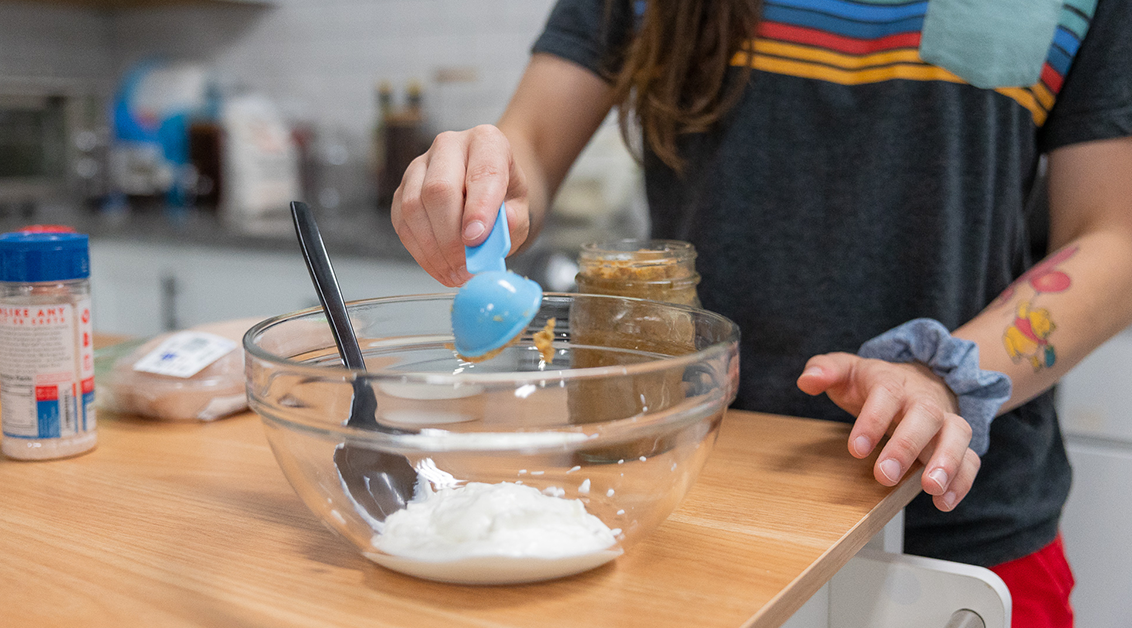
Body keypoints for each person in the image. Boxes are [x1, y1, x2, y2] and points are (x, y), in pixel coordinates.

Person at [390, 1, 1132, 625]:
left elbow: (1115, 235)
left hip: (956, 526)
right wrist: (483, 179)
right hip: (685, 512)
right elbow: (536, 144)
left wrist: (943, 374)